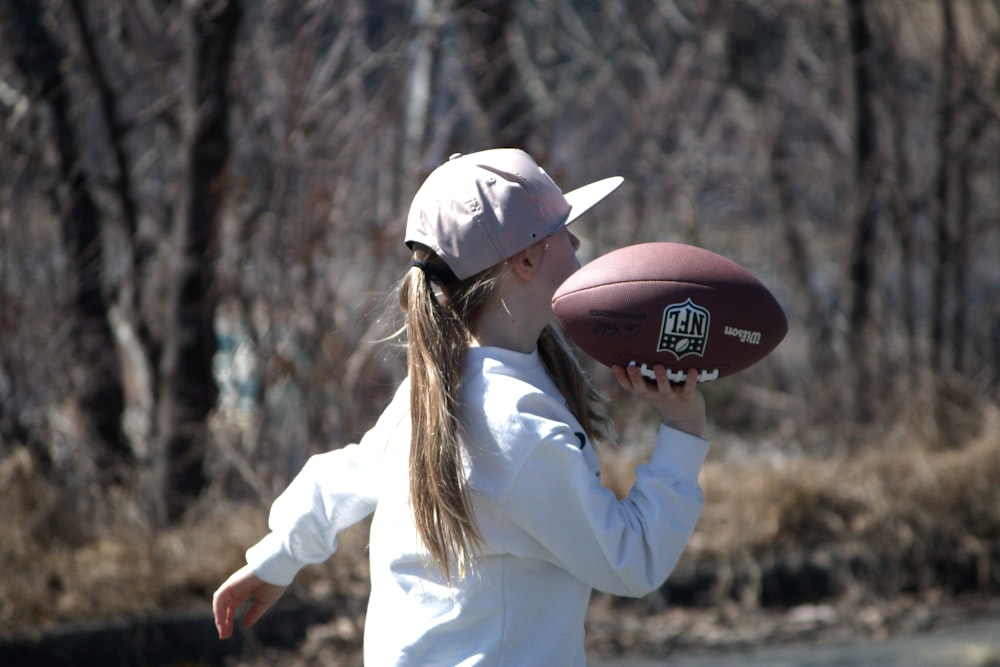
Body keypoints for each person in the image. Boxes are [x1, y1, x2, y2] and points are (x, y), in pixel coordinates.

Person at [212, 148, 710, 666]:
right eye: (564, 229)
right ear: (527, 259)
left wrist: (277, 557)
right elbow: (633, 560)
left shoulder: (433, 396)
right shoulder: (518, 430)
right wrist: (683, 426)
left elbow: (345, 474)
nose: (578, 241)